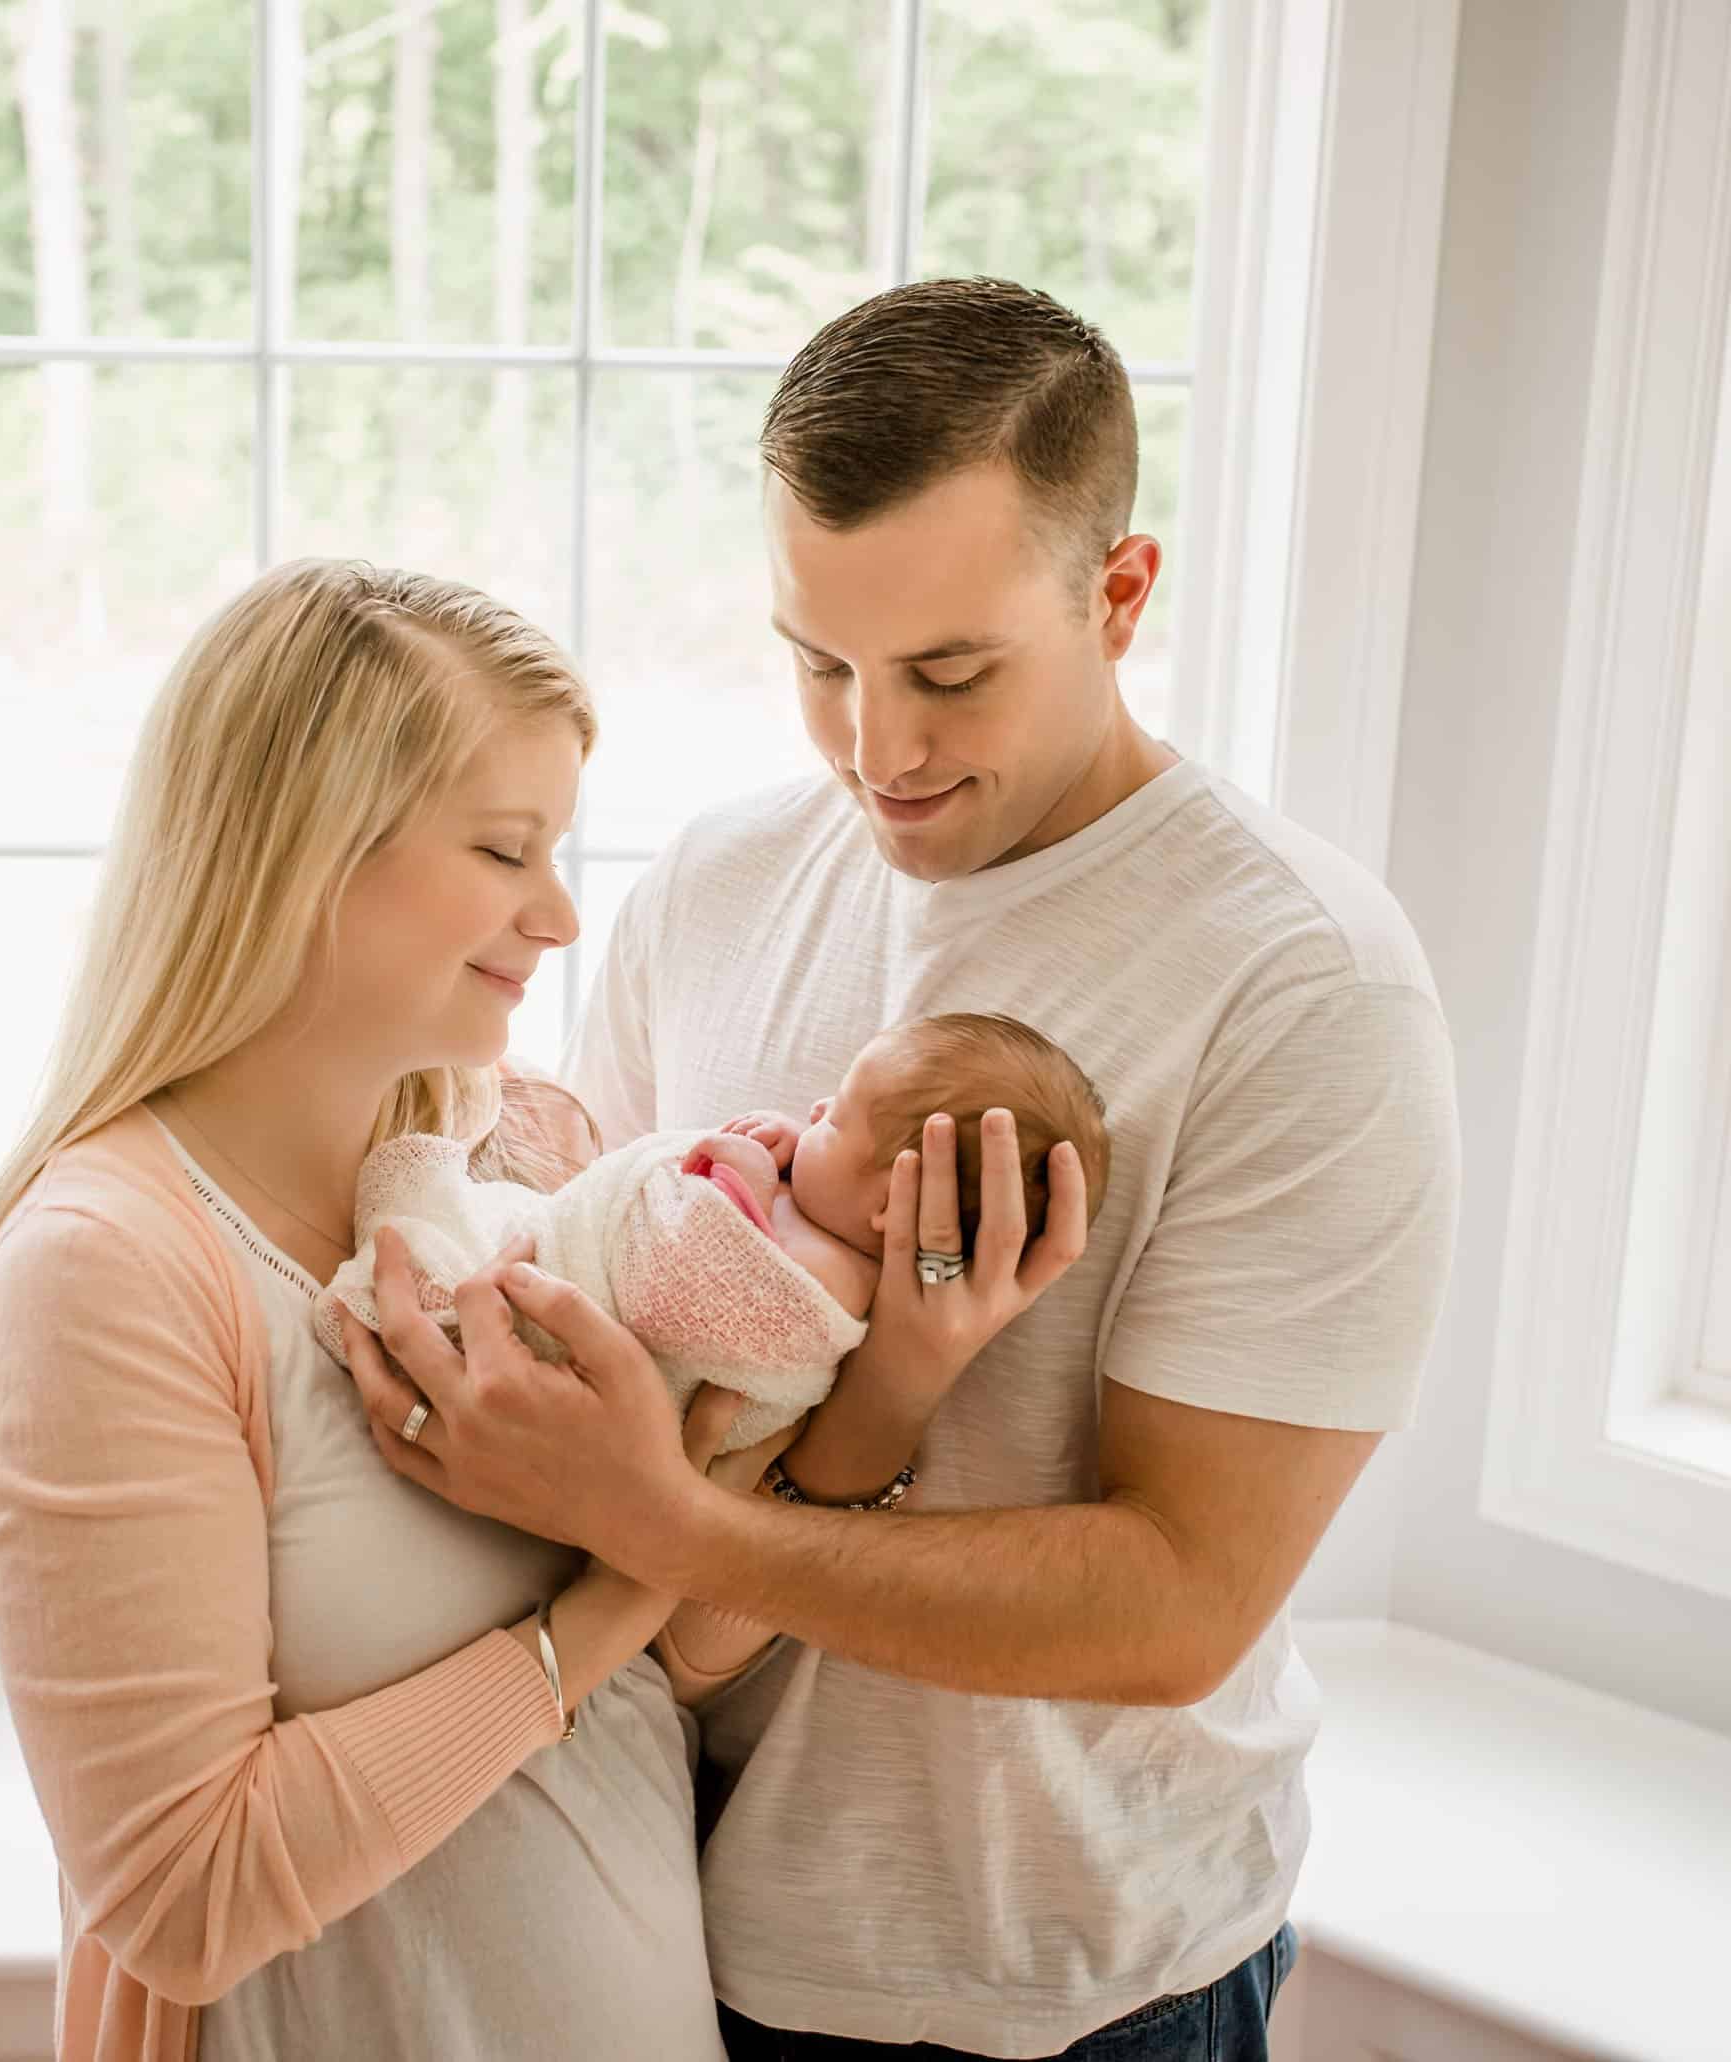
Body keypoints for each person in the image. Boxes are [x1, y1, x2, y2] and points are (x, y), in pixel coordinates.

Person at [339, 278, 1463, 2060]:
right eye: (819, 663)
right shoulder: (715, 885)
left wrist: (671, 1524)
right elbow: (576, 1313)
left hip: (1066, 1992)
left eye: (949, 673)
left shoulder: (1301, 984)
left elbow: (1179, 1601)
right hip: (657, 1928)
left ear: (1118, 594)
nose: (878, 749)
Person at [0, 559, 773, 2062]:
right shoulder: (107, 1268)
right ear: (301, 851)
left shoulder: (523, 1155)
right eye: (505, 848)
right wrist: (607, 1604)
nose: (559, 914)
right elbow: (185, 1894)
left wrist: (892, 1370)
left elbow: (685, 1666)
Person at [317, 1010, 1113, 1454]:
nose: (812, 1113)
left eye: (836, 1119)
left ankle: (414, 1288)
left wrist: (747, 1171)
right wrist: (786, 1164)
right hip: (554, 1272)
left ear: (887, 1207)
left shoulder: (830, 1287)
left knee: (420, 1195)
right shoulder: (829, 1228)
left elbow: (681, 1278)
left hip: (555, 1345)